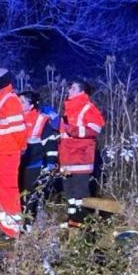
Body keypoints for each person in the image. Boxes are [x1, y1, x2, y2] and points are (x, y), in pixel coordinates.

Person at [0, 68, 27, 239]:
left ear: (1, 79)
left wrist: (19, 148)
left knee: (8, 190)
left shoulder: (9, 99)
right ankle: (5, 226)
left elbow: (19, 130)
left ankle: (13, 229)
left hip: (7, 153)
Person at [60, 79, 105, 227]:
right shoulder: (69, 108)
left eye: (73, 88)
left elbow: (95, 128)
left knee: (80, 193)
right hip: (67, 158)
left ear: (82, 92)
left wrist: (71, 130)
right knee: (69, 193)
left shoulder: (88, 108)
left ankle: (84, 222)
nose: (69, 91)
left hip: (80, 157)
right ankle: (73, 220)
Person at [18, 91, 60, 227]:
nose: (19, 104)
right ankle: (14, 225)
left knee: (31, 196)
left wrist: (51, 163)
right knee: (17, 195)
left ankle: (28, 225)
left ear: (31, 106)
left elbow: (51, 143)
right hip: (17, 164)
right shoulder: (15, 118)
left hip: (34, 164)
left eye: (22, 102)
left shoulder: (40, 120)